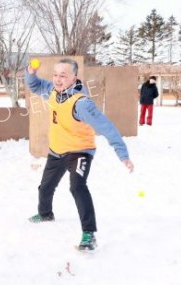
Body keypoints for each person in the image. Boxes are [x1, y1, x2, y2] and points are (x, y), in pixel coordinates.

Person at [25, 58, 134, 251]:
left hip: (79, 151)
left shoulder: (82, 104)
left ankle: (89, 234)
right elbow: (35, 85)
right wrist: (31, 72)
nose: (58, 79)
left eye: (63, 76)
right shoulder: (52, 90)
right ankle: (45, 214)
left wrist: (122, 154)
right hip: (57, 150)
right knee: (45, 187)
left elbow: (107, 127)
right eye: (55, 75)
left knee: (77, 187)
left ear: (74, 77)